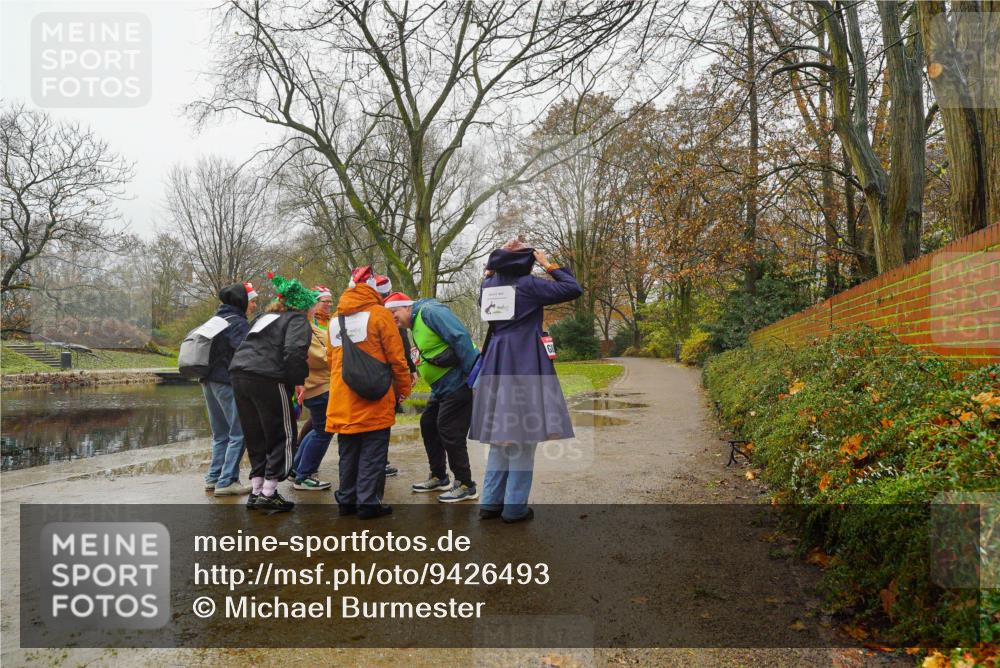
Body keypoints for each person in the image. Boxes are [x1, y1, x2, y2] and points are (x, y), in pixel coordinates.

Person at [469, 239, 582, 522]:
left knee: (501, 435)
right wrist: (549, 264)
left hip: (497, 358)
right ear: (526, 262)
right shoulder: (528, 286)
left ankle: (490, 503)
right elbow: (573, 288)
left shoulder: (488, 287)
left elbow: (489, 278)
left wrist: (500, 259)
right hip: (525, 360)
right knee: (523, 435)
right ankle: (514, 507)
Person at [326, 266, 412, 519]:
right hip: (374, 395)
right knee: (373, 452)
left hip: (342, 397)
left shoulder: (334, 320)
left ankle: (347, 500)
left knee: (349, 451)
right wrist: (403, 389)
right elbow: (397, 359)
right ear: (373, 289)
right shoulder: (379, 315)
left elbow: (332, 361)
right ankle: (368, 503)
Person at [229, 273, 315, 512]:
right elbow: (294, 352)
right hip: (268, 377)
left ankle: (256, 490)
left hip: (238, 374)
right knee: (282, 433)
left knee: (255, 434)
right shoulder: (297, 320)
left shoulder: (264, 317)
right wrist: (297, 381)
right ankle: (269, 492)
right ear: (303, 306)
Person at [385, 291, 480, 503]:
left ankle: (466, 484)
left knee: (448, 429)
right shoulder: (414, 324)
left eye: (394, 312)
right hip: (440, 387)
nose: (392, 317)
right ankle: (439, 476)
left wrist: (473, 377)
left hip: (458, 383)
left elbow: (460, 337)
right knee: (428, 424)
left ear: (407, 307)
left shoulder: (429, 312)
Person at [202, 281, 256, 496]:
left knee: (221, 434)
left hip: (207, 381)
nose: (253, 306)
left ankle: (213, 478)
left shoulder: (216, 320)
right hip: (226, 381)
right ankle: (227, 481)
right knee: (239, 432)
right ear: (241, 301)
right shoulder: (238, 323)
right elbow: (245, 353)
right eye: (252, 301)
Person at [289, 285, 335, 491]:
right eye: (316, 303)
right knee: (323, 431)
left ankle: (298, 468)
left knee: (318, 429)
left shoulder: (306, 326)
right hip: (319, 386)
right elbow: (317, 358)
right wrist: (340, 357)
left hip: (317, 386)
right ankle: (304, 475)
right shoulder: (303, 328)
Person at [375, 273, 417, 478]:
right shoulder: (389, 314)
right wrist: (410, 371)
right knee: (384, 418)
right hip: (387, 373)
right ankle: (379, 461)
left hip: (365, 372)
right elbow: (401, 346)